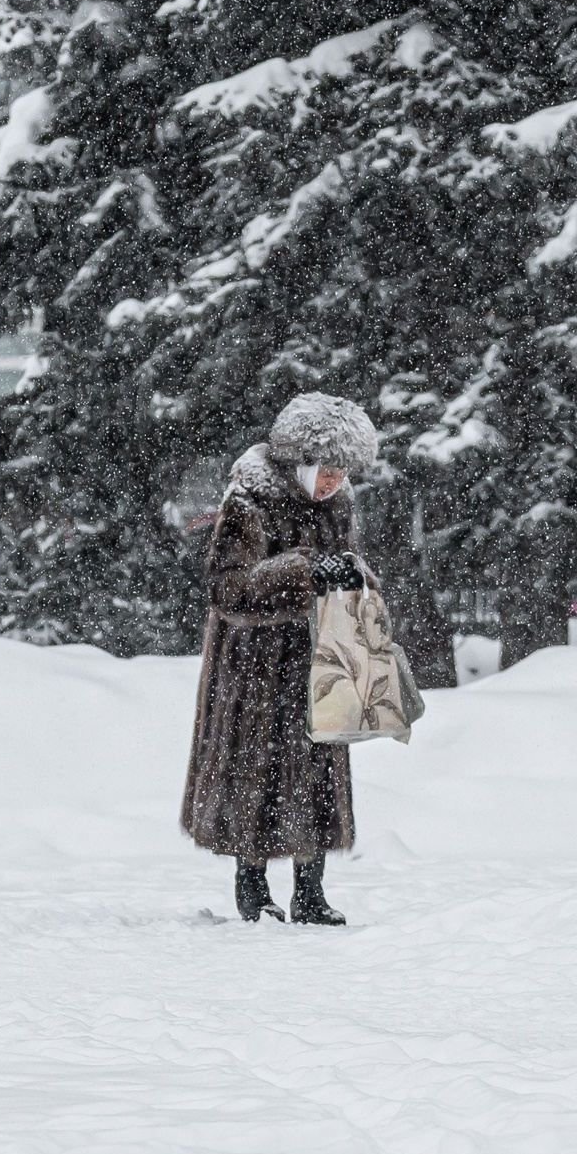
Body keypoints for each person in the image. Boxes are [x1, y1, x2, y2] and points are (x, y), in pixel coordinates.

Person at [182, 391, 379, 925]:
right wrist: (301, 573)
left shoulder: (337, 505)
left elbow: (343, 566)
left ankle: (310, 893)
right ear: (301, 462)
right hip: (255, 667)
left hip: (319, 660)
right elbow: (228, 589)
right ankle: (252, 886)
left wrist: (348, 576)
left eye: (343, 471)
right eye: (328, 471)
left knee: (316, 771)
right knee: (257, 773)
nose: (336, 482)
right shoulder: (250, 503)